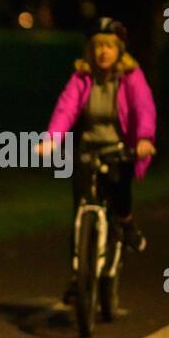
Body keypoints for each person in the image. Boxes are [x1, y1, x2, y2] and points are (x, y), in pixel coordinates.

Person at [39, 17, 157, 304]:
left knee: (118, 196)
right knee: (81, 210)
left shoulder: (130, 77)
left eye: (109, 46)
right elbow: (66, 108)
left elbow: (143, 107)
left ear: (119, 50)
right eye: (98, 46)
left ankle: (126, 223)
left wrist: (143, 139)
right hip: (88, 149)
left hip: (119, 148)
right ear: (91, 50)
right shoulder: (83, 77)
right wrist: (52, 138)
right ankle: (78, 277)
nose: (103, 52)